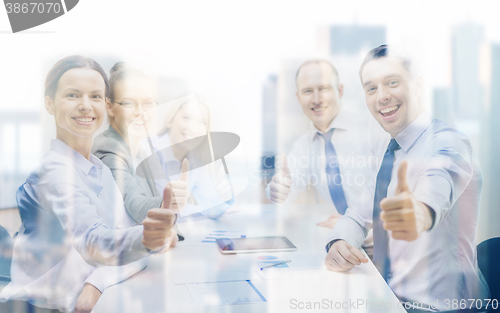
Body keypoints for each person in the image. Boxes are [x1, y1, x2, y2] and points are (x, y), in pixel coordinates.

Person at [0, 56, 177, 313]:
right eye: (73, 95)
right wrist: (146, 241)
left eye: (95, 97)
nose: (86, 106)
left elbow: (123, 239)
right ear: (49, 103)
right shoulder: (53, 171)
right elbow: (96, 243)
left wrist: (98, 280)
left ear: (104, 105)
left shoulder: (99, 168)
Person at [324, 45, 490, 309]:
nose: (382, 97)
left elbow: (436, 189)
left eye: (392, 83)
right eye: (371, 88)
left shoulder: (448, 142)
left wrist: (419, 213)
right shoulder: (394, 152)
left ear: (418, 85)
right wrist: (340, 242)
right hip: (393, 300)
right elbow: (357, 215)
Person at [266, 59, 388, 229]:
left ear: (340, 91)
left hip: (387, 238)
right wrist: (276, 190)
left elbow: (397, 191)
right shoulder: (304, 146)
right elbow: (285, 188)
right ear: (298, 97)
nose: (317, 99)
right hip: (345, 242)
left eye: (323, 89)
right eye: (308, 91)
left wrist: (356, 223)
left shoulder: (372, 129)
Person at [150, 94, 234, 219]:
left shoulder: (194, 159)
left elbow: (212, 205)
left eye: (202, 122)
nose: (193, 128)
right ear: (170, 121)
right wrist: (204, 209)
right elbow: (169, 207)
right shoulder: (151, 151)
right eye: (186, 118)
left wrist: (226, 195)